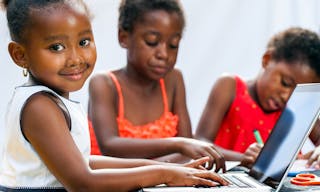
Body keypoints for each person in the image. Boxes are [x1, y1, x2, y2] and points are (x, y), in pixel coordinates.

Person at [0, 0, 229, 191]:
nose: (76, 58)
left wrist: (172, 169)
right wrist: (164, 174)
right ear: (20, 55)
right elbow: (82, 183)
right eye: (57, 47)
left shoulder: (51, 100)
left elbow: (86, 163)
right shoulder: (39, 106)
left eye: (83, 42)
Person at [88, 0, 225, 171]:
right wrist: (177, 147)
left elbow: (189, 150)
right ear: (123, 38)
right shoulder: (104, 84)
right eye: (152, 42)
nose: (164, 54)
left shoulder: (174, 80)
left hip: (164, 183)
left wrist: (178, 155)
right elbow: (110, 146)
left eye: (173, 45)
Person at [195, 27, 320, 168]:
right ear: (267, 60)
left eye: (296, 92)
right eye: (285, 83)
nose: (286, 97)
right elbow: (200, 141)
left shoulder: (295, 108)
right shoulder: (229, 87)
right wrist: (243, 158)